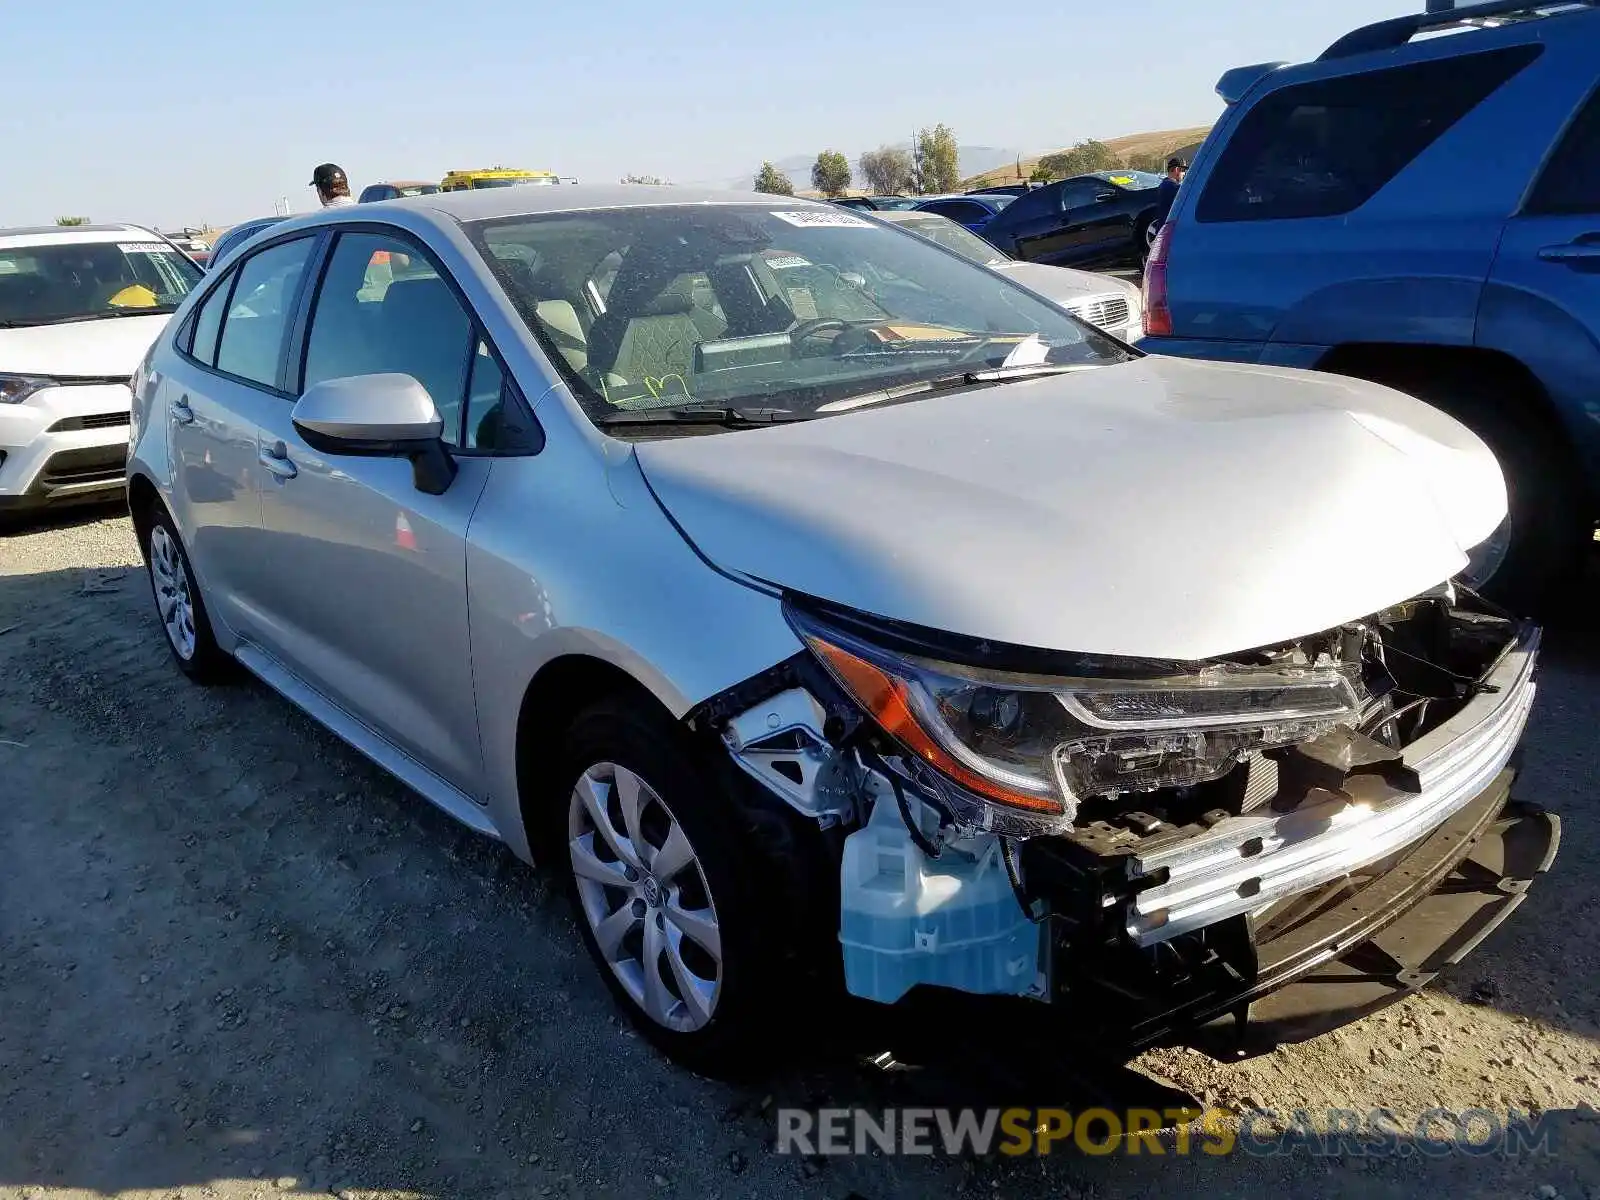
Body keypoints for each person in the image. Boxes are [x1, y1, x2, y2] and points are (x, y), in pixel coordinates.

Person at [1154, 156, 1187, 227]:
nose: (1185, 173)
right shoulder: (1171, 186)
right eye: (1183, 170)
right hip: (1169, 231)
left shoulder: (1165, 184)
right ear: (1177, 169)